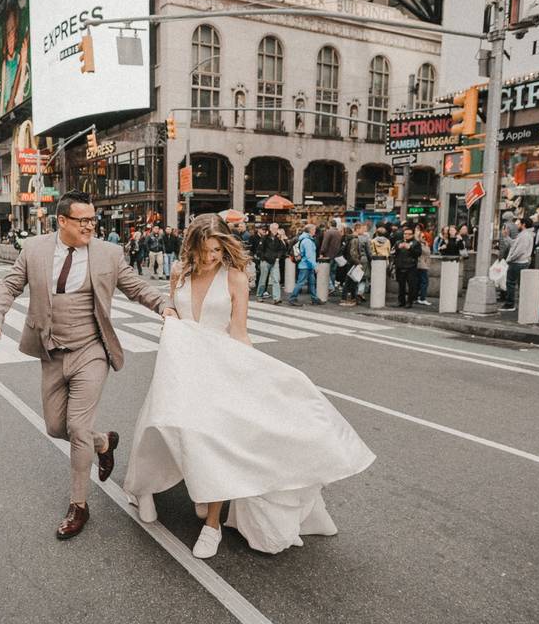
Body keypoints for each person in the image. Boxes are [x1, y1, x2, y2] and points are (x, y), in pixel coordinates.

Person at [124, 214, 375, 558]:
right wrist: (169, 318)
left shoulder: (235, 277)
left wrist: (256, 374)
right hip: (181, 369)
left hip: (221, 369)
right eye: (204, 250)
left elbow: (239, 332)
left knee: (217, 440)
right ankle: (149, 488)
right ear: (191, 247)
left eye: (216, 249)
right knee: (163, 429)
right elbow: (176, 317)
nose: (210, 257)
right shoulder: (178, 272)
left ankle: (212, 525)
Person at [0, 191, 174, 540]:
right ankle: (104, 443)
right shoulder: (35, 250)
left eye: (92, 219)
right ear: (63, 221)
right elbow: (10, 285)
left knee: (77, 427)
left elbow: (135, 287)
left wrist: (163, 306)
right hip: (51, 352)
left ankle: (79, 505)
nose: (90, 225)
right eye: (82, 220)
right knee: (56, 427)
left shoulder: (109, 253)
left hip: (91, 351)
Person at [500, 217, 535, 312]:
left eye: (519, 223)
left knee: (510, 283)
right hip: (522, 262)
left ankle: (510, 304)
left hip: (518, 262)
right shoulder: (525, 235)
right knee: (520, 284)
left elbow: (519, 250)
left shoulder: (525, 235)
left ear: (523, 225)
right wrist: (506, 236)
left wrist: (510, 259)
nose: (517, 226)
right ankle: (520, 304)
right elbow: (514, 244)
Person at [288, 224, 322, 306]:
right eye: (314, 229)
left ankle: (315, 298)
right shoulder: (307, 241)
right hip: (306, 266)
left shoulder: (306, 239)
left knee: (311, 282)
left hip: (307, 265)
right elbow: (309, 255)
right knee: (301, 283)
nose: (315, 231)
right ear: (310, 231)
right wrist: (315, 266)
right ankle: (292, 298)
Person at [393, 226, 422, 308]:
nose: (406, 235)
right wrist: (397, 248)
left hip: (411, 267)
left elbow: (418, 253)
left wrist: (410, 248)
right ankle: (401, 301)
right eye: (405, 234)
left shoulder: (416, 243)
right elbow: (393, 252)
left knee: (411, 286)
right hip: (400, 266)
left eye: (409, 234)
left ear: (412, 235)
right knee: (401, 285)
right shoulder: (398, 242)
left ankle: (410, 302)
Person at [257, 223, 286, 303]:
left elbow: (282, 249)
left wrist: (278, 257)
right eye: (273, 228)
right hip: (265, 261)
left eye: (276, 228)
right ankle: (259, 295)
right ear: (270, 229)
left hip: (275, 261)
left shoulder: (278, 239)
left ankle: (276, 298)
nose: (275, 230)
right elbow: (259, 250)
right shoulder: (265, 238)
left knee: (276, 279)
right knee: (263, 279)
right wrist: (263, 258)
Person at [339, 226, 366, 307]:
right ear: (357, 229)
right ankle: (346, 298)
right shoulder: (355, 239)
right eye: (362, 229)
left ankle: (351, 298)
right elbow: (353, 252)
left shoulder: (348, 238)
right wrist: (358, 262)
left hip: (349, 262)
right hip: (353, 262)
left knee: (351, 281)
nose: (364, 230)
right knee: (351, 281)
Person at [319, 220, 343, 292]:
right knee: (333, 272)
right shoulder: (339, 233)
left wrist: (321, 252)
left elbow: (325, 244)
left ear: (330, 224)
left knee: (326, 272)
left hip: (329, 255)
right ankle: (332, 286)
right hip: (337, 255)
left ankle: (330, 287)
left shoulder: (328, 232)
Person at [415, 226, 433, 306]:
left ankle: (416, 298)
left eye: (424, 237)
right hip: (421, 265)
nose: (424, 238)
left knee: (420, 282)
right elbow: (426, 253)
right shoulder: (420, 245)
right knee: (424, 282)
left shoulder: (423, 244)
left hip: (422, 264)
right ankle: (422, 298)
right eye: (422, 237)